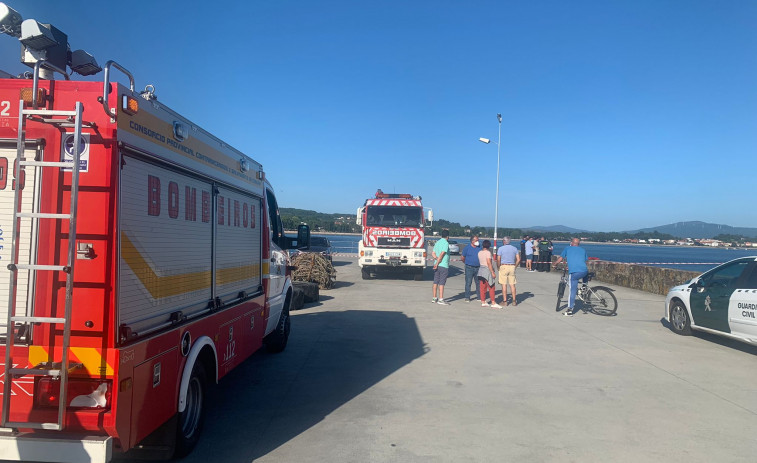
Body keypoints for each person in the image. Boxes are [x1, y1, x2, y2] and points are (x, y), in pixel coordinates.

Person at [553, 237, 589, 316]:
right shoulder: (583, 250)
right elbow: (585, 260)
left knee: (572, 291)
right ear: (578, 244)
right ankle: (584, 287)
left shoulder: (567, 248)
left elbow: (560, 258)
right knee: (585, 273)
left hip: (575, 273)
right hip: (584, 271)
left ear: (571, 243)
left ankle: (570, 309)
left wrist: (554, 264)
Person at [496, 236, 521, 306]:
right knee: (512, 284)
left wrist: (498, 267)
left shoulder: (501, 249)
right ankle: (514, 300)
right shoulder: (514, 248)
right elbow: (518, 259)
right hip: (512, 266)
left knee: (504, 284)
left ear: (504, 241)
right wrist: (515, 266)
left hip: (504, 266)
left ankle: (505, 301)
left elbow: (498, 259)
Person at [477, 240, 502, 309]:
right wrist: (492, 272)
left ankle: (483, 301)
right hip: (487, 271)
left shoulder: (479, 252)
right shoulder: (488, 253)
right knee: (491, 287)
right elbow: (488, 263)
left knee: (482, 287)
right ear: (489, 246)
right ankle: (493, 302)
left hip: (481, 270)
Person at [431, 229, 451, 305]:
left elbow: (433, 253)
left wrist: (436, 260)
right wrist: (438, 261)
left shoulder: (438, 242)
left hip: (437, 264)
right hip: (443, 265)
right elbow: (442, 254)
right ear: (448, 236)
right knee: (442, 282)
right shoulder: (445, 243)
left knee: (435, 281)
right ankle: (441, 299)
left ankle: (434, 297)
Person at [460, 235, 482, 302]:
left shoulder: (480, 247)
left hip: (478, 268)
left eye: (478, 240)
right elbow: (462, 257)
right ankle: (467, 297)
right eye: (476, 240)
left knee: (478, 283)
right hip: (469, 267)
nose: (477, 241)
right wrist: (467, 263)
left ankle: (479, 297)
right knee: (468, 282)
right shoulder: (467, 248)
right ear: (472, 241)